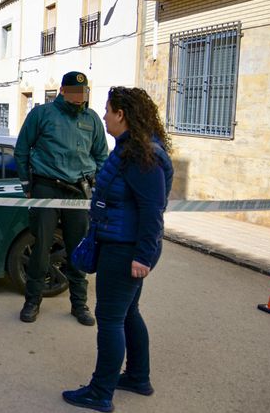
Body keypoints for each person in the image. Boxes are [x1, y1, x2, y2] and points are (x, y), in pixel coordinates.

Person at [62, 87, 174, 412]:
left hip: (124, 251)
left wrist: (142, 256)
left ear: (121, 114)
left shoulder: (141, 156)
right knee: (128, 313)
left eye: (108, 110)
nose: (104, 116)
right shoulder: (130, 149)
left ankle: (100, 392)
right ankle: (138, 377)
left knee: (110, 318)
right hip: (120, 244)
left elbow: (152, 211)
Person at [14, 71, 108, 325]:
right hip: (47, 188)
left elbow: (101, 155)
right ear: (63, 91)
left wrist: (99, 186)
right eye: (75, 91)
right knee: (41, 247)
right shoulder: (42, 114)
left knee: (78, 249)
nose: (80, 96)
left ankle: (79, 304)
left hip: (78, 191)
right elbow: (22, 150)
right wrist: (27, 185)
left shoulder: (91, 118)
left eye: (84, 92)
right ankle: (32, 302)